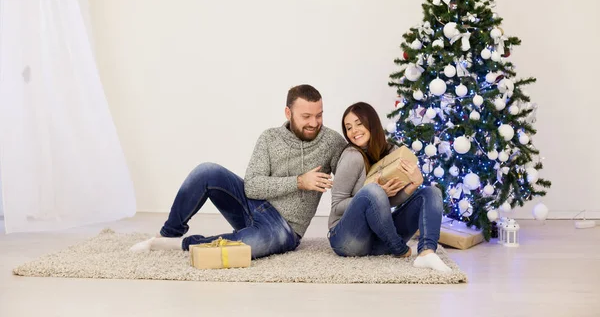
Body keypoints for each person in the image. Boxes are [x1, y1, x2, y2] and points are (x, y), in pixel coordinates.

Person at [130, 84, 347, 258]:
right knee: (206, 171)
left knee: (250, 245)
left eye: (319, 115)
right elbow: (251, 186)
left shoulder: (331, 142)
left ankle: (182, 245)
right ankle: (167, 234)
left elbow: (351, 174)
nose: (314, 123)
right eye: (306, 116)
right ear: (288, 113)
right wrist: (299, 182)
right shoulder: (269, 138)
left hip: (286, 228)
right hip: (252, 205)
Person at [327, 102, 451, 272]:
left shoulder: (392, 152)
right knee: (372, 190)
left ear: (372, 123)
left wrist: (414, 183)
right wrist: (371, 193)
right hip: (347, 240)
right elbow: (336, 207)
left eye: (359, 124)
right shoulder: (352, 156)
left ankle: (427, 252)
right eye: (348, 128)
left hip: (377, 240)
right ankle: (398, 248)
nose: (353, 131)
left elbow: (389, 202)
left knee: (431, 192)